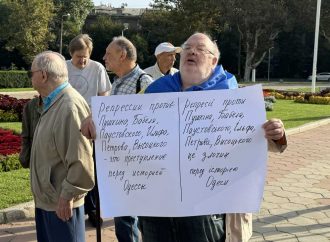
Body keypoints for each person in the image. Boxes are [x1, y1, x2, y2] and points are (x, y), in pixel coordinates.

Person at [81, 33, 287, 242]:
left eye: (200, 49)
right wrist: (94, 120)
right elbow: (122, 119)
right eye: (187, 48)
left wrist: (276, 134)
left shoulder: (231, 96)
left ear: (214, 61)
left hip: (206, 213)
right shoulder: (155, 91)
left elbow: (256, 139)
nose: (191, 51)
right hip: (157, 211)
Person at [29, 51, 94, 242]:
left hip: (62, 205)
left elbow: (81, 159)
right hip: (51, 201)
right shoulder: (54, 102)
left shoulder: (69, 105)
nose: (30, 77)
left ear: (43, 75)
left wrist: (67, 196)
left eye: (30, 73)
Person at [102, 36, 153, 242]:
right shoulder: (117, 82)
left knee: (134, 217)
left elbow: (153, 124)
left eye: (108, 54)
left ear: (122, 55)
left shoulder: (144, 82)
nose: (104, 58)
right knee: (122, 217)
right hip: (117, 161)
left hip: (138, 163)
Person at [67, 33, 112, 227]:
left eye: (86, 56)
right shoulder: (64, 68)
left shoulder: (98, 68)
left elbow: (104, 95)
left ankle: (93, 209)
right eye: (79, 57)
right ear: (71, 54)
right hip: (69, 124)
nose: (83, 60)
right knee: (72, 164)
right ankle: (73, 204)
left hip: (92, 124)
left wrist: (94, 117)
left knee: (92, 167)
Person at [19, 95, 42, 168]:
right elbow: (25, 136)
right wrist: (24, 156)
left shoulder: (63, 103)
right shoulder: (30, 105)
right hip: (36, 162)